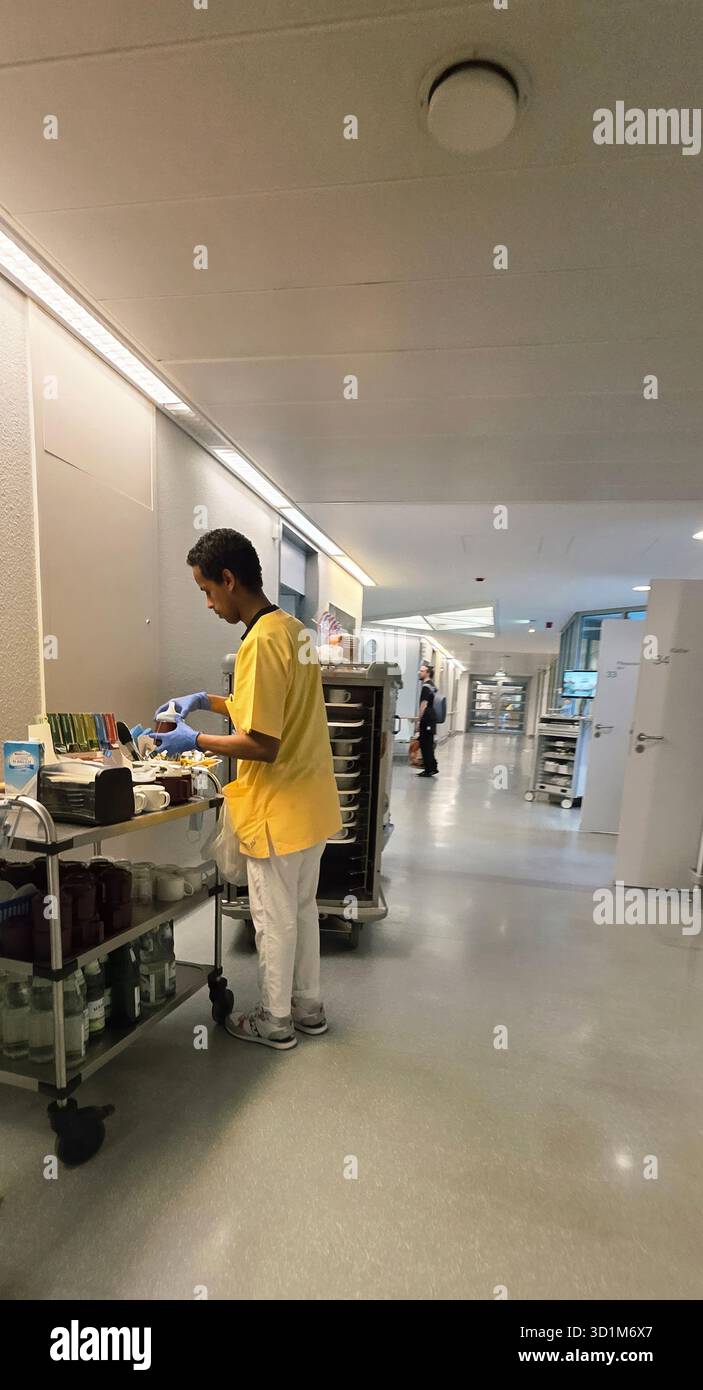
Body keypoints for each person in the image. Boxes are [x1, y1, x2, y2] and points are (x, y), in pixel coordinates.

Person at [145, 528, 342, 1051]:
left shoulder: (258, 643)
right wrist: (206, 699)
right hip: (312, 806)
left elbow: (263, 742)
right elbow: (274, 708)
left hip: (279, 810)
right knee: (301, 910)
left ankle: (274, 1020)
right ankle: (308, 1006)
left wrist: (194, 740)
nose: (208, 603)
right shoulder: (294, 630)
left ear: (229, 580)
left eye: (207, 590)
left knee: (272, 918)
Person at [415, 661, 438, 778]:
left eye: (422, 671)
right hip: (431, 717)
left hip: (427, 718)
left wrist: (419, 721)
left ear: (428, 673)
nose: (420, 672)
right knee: (428, 743)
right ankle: (432, 767)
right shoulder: (432, 686)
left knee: (425, 744)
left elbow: (423, 704)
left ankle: (429, 769)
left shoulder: (426, 687)